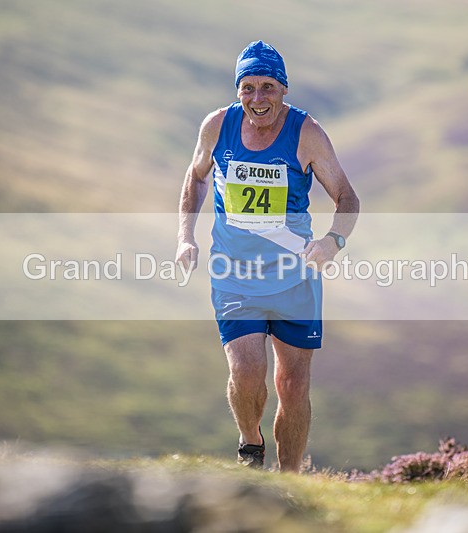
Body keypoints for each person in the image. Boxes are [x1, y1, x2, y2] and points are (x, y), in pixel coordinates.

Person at [176, 40, 359, 473]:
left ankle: (289, 480)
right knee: (246, 370)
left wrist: (334, 241)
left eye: (268, 87)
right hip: (234, 274)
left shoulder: (307, 133)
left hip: (296, 276)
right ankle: (250, 445)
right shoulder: (217, 126)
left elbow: (348, 198)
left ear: (284, 89)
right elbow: (196, 176)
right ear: (238, 90)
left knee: (292, 386)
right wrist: (185, 235)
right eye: (249, 88)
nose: (258, 98)